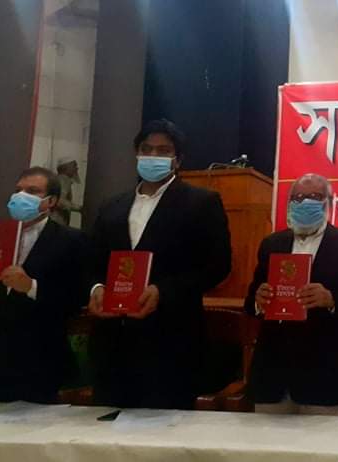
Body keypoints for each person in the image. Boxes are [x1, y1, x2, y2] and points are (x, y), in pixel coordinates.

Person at [86, 119, 232, 410]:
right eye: (146, 149)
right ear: (136, 154)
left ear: (178, 160)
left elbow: (218, 265)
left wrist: (163, 291)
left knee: (162, 430)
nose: (153, 156)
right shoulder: (111, 205)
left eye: (163, 151)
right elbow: (92, 260)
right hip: (113, 343)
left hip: (170, 342)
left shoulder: (201, 203)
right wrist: (96, 288)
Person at [246, 174, 338, 415]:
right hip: (272, 375)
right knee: (265, 440)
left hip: (323, 375)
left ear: (329, 202)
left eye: (314, 197)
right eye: (298, 198)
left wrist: (331, 300)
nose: (305, 202)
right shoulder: (272, 244)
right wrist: (258, 300)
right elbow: (250, 300)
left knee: (320, 440)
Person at [0, 167, 86, 403]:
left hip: (40, 358)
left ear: (52, 201)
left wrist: (31, 287)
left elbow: (76, 298)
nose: (21, 196)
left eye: (32, 191)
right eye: (18, 190)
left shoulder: (71, 240)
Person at [50, 157, 81, 226]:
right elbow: (59, 201)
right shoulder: (64, 179)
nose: (77, 168)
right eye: (74, 165)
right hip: (56, 222)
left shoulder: (59, 179)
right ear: (66, 167)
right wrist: (79, 208)